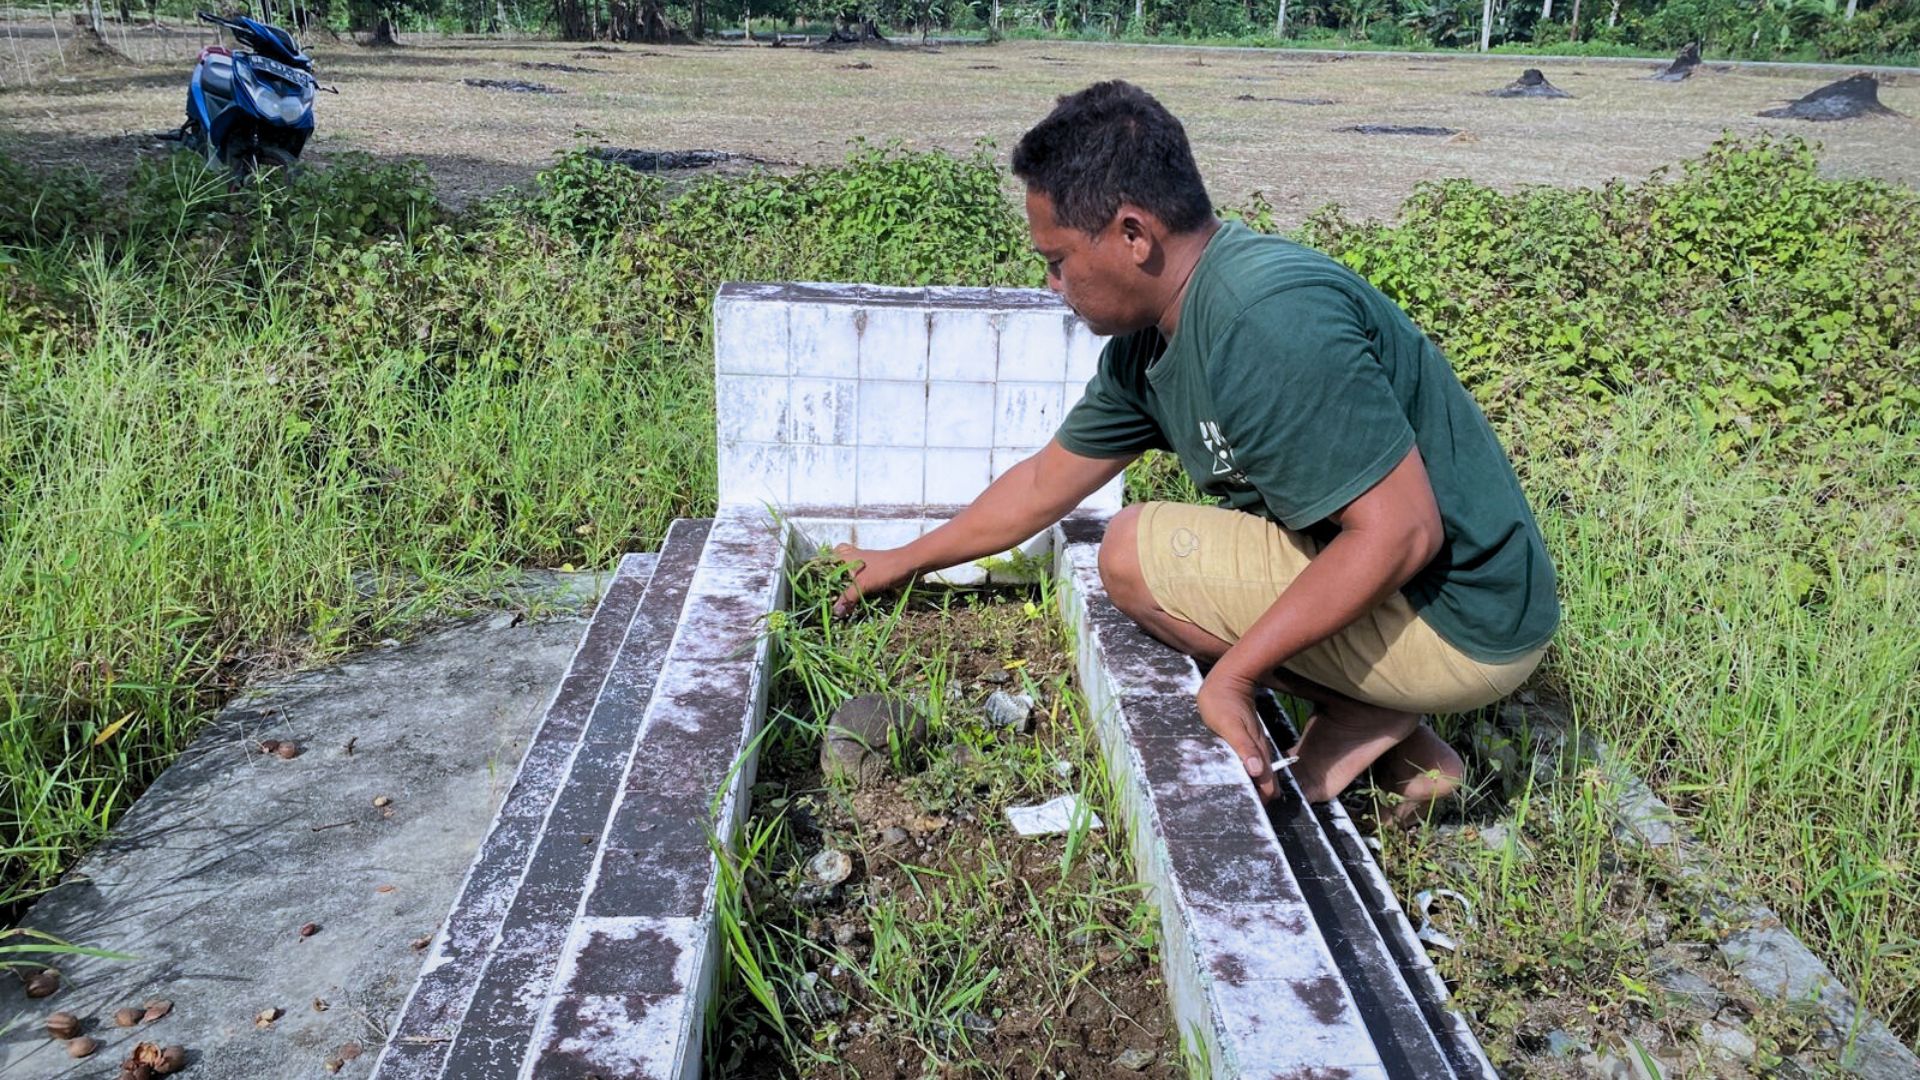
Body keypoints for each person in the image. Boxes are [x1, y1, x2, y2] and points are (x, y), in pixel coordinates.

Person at [831, 80, 1558, 819]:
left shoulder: (1263, 319)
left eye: (1057, 260)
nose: (1052, 285)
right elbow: (1048, 478)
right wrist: (902, 560)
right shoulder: (1153, 335)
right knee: (1143, 556)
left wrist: (1235, 676)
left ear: (1134, 235)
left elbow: (1404, 530)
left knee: (1136, 551)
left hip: (1466, 619)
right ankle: (1386, 722)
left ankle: (1372, 711)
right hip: (1415, 592)